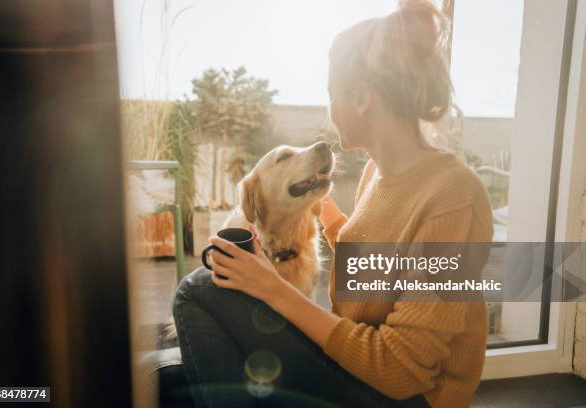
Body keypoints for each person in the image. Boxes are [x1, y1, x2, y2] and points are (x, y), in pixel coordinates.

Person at [174, 0, 493, 407]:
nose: (330, 108)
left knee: (196, 292)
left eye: (331, 93)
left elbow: (398, 368)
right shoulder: (377, 174)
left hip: (410, 396)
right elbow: (382, 268)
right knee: (169, 374)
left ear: (362, 97)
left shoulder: (455, 196)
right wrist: (319, 213)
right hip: (360, 368)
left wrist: (272, 288)